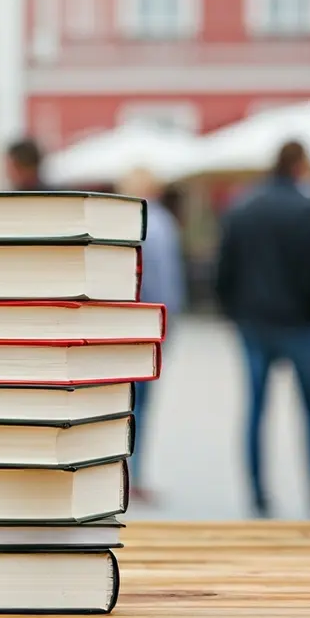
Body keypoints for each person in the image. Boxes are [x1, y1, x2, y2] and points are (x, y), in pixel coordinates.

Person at [215, 140, 310, 519]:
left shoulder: (241, 206)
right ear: (299, 165)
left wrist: (235, 312)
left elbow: (224, 268)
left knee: (256, 410)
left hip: (253, 322)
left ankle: (258, 496)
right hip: (300, 324)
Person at [117, 168, 186, 503]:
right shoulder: (160, 224)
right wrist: (167, 329)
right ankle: (134, 477)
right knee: (140, 407)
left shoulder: (115, 222)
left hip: (116, 328)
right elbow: (168, 282)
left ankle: (117, 476)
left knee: (117, 406)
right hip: (146, 328)